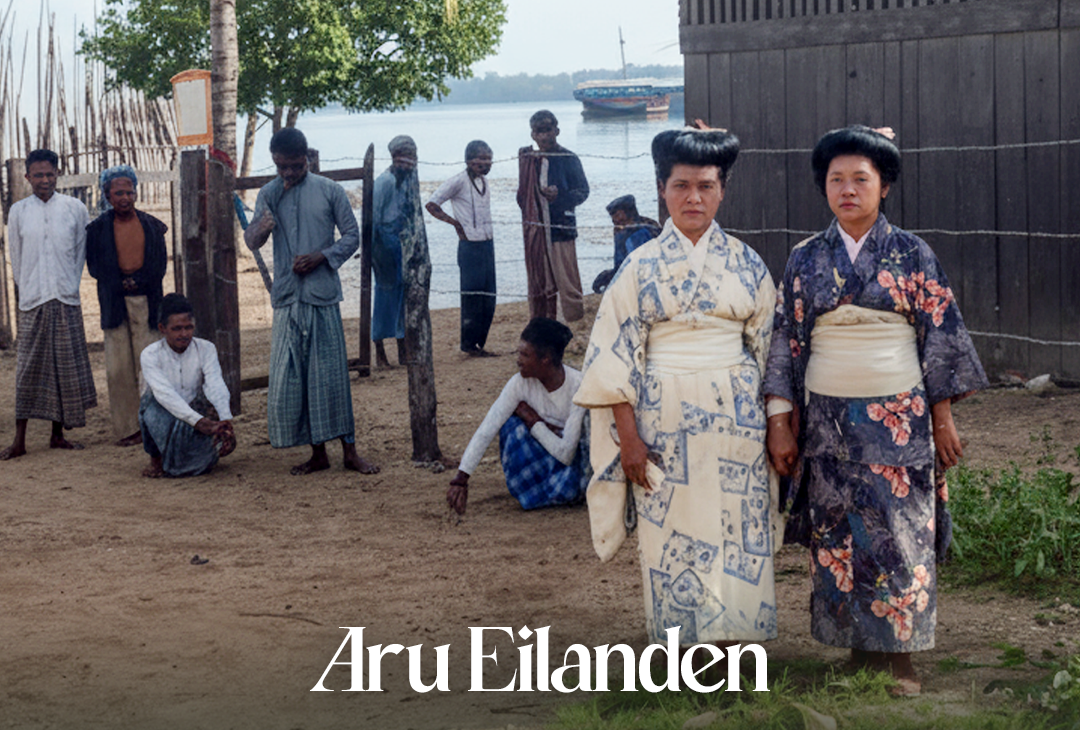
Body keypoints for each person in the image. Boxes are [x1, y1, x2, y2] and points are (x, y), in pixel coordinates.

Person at [763, 126, 988, 696]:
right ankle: (859, 654)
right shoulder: (805, 259)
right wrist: (782, 422)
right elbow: (786, 342)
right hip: (827, 421)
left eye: (860, 179)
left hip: (900, 417)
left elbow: (940, 341)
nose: (847, 189)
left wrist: (943, 420)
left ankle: (901, 661)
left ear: (883, 186)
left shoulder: (913, 254)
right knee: (838, 534)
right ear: (824, 187)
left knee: (900, 533)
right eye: (836, 179)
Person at [574, 128, 781, 651]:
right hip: (661, 428)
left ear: (722, 191)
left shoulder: (748, 264)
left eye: (706, 186)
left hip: (738, 430)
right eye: (681, 185)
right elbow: (611, 358)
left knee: (736, 532)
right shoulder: (638, 268)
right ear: (662, 190)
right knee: (674, 538)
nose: (694, 198)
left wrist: (778, 423)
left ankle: (739, 652)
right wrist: (629, 439)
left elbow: (773, 352)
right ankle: (684, 653)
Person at [244, 127, 378, 475]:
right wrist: (261, 227)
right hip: (287, 298)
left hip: (322, 297)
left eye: (295, 166)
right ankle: (318, 454)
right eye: (281, 167)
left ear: (308, 158)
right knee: (297, 378)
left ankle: (350, 452)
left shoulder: (329, 190)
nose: (288, 173)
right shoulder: (269, 193)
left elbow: (352, 236)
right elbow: (251, 241)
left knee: (332, 376)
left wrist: (322, 256)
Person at [1, 149, 96, 460]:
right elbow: (15, 253)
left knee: (62, 368)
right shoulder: (17, 211)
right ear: (27, 177)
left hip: (65, 297)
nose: (44, 180)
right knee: (27, 369)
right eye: (38, 175)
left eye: (49, 174)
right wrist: (28, 289)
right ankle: (19, 440)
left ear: (58, 174)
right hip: (32, 300)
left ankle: (58, 435)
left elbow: (80, 254)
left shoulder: (75, 209)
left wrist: (67, 286)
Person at [446, 318, 587, 515]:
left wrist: (534, 421)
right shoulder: (519, 383)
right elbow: (487, 429)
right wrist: (461, 479)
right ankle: (536, 494)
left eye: (525, 354)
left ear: (545, 359)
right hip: (546, 453)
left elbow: (566, 454)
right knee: (511, 427)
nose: (518, 359)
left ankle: (564, 494)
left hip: (570, 462)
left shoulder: (579, 386)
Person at [85, 165, 168, 447]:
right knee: (118, 368)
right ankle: (126, 429)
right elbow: (96, 267)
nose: (124, 197)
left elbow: (159, 266)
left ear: (136, 192)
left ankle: (154, 423)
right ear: (107, 196)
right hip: (113, 304)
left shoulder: (153, 226)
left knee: (150, 365)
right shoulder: (96, 230)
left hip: (148, 301)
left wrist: (138, 282)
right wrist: (121, 284)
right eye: (118, 192)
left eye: (129, 191)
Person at [139, 294, 236, 478]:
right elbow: (164, 394)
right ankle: (156, 460)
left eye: (188, 327)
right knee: (148, 405)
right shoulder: (150, 355)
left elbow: (215, 382)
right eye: (177, 329)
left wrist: (225, 420)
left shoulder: (206, 348)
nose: (184, 334)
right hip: (163, 412)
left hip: (194, 409)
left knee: (204, 462)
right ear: (162, 328)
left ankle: (186, 458)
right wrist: (199, 423)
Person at [426, 140, 498, 356]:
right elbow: (432, 204)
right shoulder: (458, 181)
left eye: (489, 159)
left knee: (489, 295)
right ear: (469, 161)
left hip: (487, 243)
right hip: (470, 246)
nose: (485, 164)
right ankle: (468, 344)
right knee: (471, 296)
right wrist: (455, 223)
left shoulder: (484, 181)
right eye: (481, 160)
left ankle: (480, 343)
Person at [516, 110, 589, 322]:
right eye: (539, 132)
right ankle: (544, 323)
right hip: (537, 231)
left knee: (568, 281)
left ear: (556, 130)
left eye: (548, 130)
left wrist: (560, 196)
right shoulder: (530, 161)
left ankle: (576, 324)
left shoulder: (568, 158)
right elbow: (523, 196)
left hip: (561, 228)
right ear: (532, 135)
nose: (544, 136)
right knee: (543, 282)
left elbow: (583, 191)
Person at [371, 135, 422, 368]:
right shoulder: (385, 182)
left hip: (401, 242)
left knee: (403, 294)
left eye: (412, 157)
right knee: (385, 295)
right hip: (383, 243)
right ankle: (380, 351)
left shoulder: (408, 180)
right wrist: (375, 253)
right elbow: (373, 219)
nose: (408, 163)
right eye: (405, 157)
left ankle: (403, 349)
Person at [591, 194, 661, 294]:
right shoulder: (620, 230)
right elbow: (621, 263)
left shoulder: (645, 230)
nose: (615, 220)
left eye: (618, 215)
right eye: (612, 216)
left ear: (629, 212)